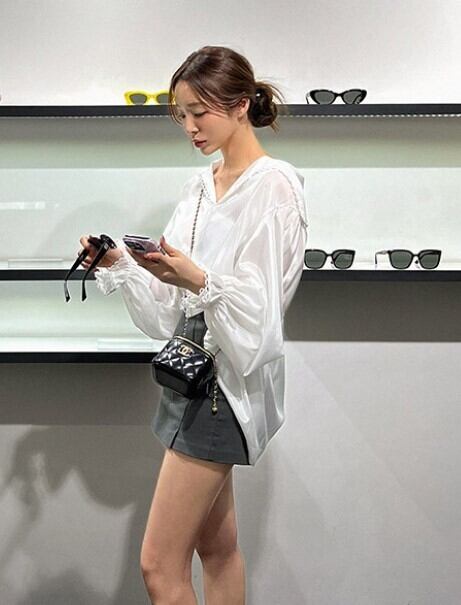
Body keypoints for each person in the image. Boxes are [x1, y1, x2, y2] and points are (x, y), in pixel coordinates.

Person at [78, 45, 308, 605]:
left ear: (240, 104)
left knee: (159, 566)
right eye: (181, 115)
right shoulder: (199, 188)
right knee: (217, 549)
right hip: (189, 373)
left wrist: (196, 279)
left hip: (222, 390)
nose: (190, 127)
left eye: (199, 112)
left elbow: (261, 317)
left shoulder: (275, 187)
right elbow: (169, 308)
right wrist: (124, 265)